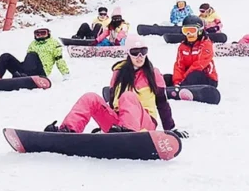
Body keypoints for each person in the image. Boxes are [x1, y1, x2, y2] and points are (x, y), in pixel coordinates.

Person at [44, 39, 187, 137]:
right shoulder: (118, 73)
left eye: (143, 51)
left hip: (144, 122)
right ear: (128, 53)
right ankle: (68, 131)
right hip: (118, 124)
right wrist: (105, 124)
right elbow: (112, 103)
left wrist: (171, 129)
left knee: (128, 96)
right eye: (135, 52)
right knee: (90, 97)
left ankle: (128, 132)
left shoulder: (153, 73)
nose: (140, 56)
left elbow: (162, 103)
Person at [0, 27, 71, 80]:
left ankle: (24, 76)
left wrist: (65, 74)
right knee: (6, 56)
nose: (40, 35)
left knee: (32, 55)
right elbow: (28, 61)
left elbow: (59, 60)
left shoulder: (54, 44)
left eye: (43, 33)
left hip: (40, 72)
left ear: (48, 34)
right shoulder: (33, 43)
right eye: (37, 34)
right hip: (27, 70)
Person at [166, 15, 218, 87]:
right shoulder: (182, 47)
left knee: (194, 74)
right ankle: (162, 90)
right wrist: (177, 82)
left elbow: (199, 65)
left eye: (192, 30)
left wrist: (184, 79)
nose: (189, 34)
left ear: (199, 31)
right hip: (187, 79)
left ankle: (182, 88)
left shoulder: (206, 45)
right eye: (186, 31)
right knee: (167, 78)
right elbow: (179, 65)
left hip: (208, 79)